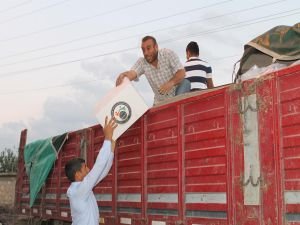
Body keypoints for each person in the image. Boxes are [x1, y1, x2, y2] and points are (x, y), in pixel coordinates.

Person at [65, 116, 117, 225]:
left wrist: (111, 150)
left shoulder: (83, 189)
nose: (88, 170)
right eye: (85, 168)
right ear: (78, 174)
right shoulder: (78, 191)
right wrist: (107, 138)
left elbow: (103, 171)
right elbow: (98, 167)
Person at [116, 36, 190, 105]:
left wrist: (170, 83)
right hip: (160, 101)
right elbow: (132, 73)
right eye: (143, 50)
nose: (146, 53)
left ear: (156, 47)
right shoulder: (142, 62)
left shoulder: (167, 54)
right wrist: (124, 75)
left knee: (185, 82)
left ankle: (176, 106)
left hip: (176, 93)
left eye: (148, 48)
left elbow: (181, 73)